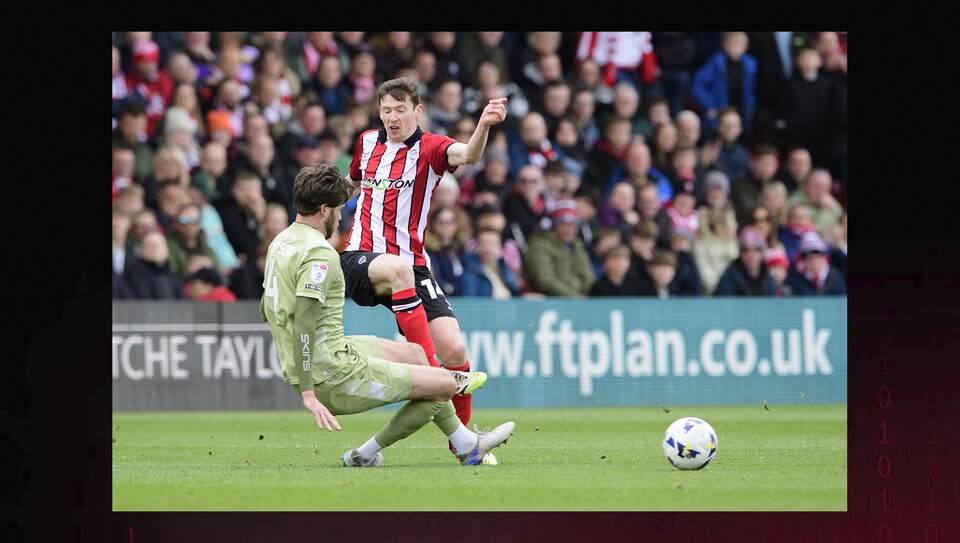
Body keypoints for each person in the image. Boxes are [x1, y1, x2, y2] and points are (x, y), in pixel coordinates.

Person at [260, 161, 514, 467]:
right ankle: (364, 454)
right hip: (331, 372)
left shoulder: (281, 243)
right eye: (340, 210)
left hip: (330, 351)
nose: (342, 218)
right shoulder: (320, 253)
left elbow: (268, 308)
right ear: (324, 210)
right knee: (444, 384)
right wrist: (309, 392)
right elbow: (303, 322)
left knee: (417, 354)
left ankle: (466, 445)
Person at [340, 77, 508, 456]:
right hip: (359, 258)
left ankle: (463, 442)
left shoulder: (430, 147)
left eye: (400, 109)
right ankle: (436, 374)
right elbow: (350, 185)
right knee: (400, 278)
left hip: (412, 264)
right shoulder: (367, 142)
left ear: (417, 110)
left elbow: (468, 156)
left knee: (454, 348)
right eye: (386, 110)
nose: (392, 117)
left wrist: (482, 126)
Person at [690, 31, 758, 139]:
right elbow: (697, 84)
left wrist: (751, 107)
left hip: (742, 110)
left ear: (745, 47)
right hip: (719, 110)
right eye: (730, 44)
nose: (733, 48)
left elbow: (754, 90)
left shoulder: (751, 64)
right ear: (723, 46)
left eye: (737, 44)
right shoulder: (715, 62)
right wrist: (709, 106)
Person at [523, 204, 595, 297]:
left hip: (580, 300)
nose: (569, 229)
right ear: (555, 226)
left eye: (572, 225)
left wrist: (590, 295)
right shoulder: (540, 245)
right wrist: (575, 297)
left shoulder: (577, 245)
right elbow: (545, 280)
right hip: (552, 301)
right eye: (564, 225)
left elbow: (588, 276)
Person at [457, 226, 522, 298]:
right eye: (483, 243)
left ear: (500, 246)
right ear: (477, 246)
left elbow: (516, 294)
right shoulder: (469, 271)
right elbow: (470, 304)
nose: (487, 248)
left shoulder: (504, 267)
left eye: (492, 243)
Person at [714, 226, 776, 296]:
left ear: (762, 252)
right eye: (745, 250)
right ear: (740, 253)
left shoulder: (767, 277)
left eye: (756, 249)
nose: (750, 255)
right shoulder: (729, 277)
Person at [730, 143, 781, 227]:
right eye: (763, 163)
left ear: (776, 166)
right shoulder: (741, 186)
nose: (767, 167)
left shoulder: (778, 186)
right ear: (753, 163)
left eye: (770, 164)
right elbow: (749, 212)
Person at [787, 168, 844, 243]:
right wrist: (825, 212)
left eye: (825, 187)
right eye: (816, 186)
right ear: (806, 186)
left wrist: (833, 207)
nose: (820, 191)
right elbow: (815, 231)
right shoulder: (794, 201)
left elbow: (842, 222)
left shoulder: (831, 202)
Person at [692, 207, 739, 296]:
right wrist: (724, 288)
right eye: (732, 222)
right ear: (719, 226)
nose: (736, 226)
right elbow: (705, 275)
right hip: (712, 296)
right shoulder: (701, 245)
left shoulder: (733, 244)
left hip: (734, 294)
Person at [124, 230, 185, 299]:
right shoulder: (134, 272)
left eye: (158, 244)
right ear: (141, 250)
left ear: (167, 249)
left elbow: (182, 300)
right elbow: (144, 302)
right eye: (149, 245)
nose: (154, 248)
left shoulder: (173, 273)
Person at [164, 202, 220, 277]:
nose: (188, 225)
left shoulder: (205, 245)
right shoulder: (167, 244)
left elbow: (219, 274)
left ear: (200, 223)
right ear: (176, 223)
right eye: (183, 220)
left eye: (193, 220)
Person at [785, 231, 846, 295]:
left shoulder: (835, 276)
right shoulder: (794, 278)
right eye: (809, 257)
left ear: (824, 257)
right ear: (803, 260)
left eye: (818, 255)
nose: (814, 260)